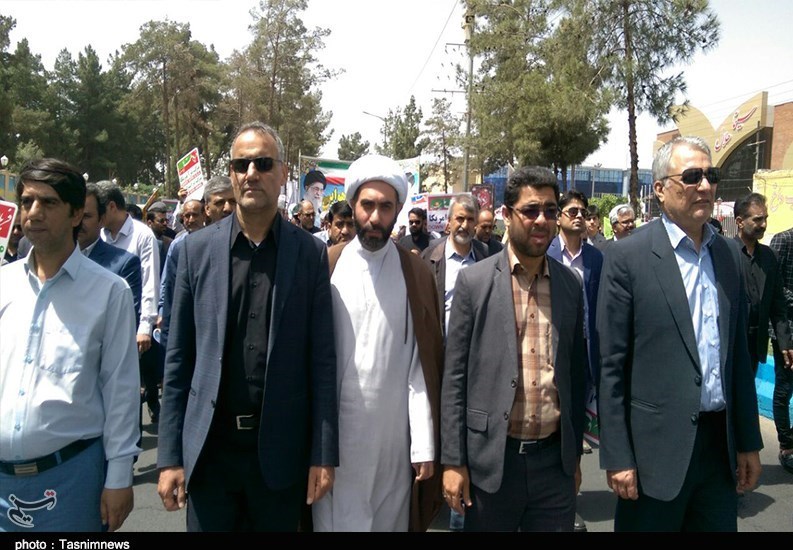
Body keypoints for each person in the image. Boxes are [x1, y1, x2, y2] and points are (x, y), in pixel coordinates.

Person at [157, 121, 338, 532]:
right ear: (232, 173)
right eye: (241, 165)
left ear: (283, 172)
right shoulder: (195, 252)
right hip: (211, 453)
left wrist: (322, 454)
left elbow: (322, 361)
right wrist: (169, 456)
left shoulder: (309, 254)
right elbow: (179, 359)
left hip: (280, 456)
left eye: (262, 163)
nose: (251, 173)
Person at [597, 136, 762, 531]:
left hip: (718, 452)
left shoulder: (728, 256)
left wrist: (748, 441)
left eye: (711, 175)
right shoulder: (628, 257)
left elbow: (737, 358)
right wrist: (617, 455)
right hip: (653, 456)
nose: (704, 186)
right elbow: (611, 366)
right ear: (659, 188)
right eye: (691, 177)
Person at [441, 166, 587, 532]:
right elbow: (455, 379)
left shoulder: (569, 285)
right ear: (507, 214)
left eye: (550, 210)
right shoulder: (474, 282)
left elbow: (576, 374)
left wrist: (573, 456)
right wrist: (454, 462)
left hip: (553, 468)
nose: (542, 220)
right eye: (531, 210)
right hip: (492, 465)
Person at [0, 158, 140, 532]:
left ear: (77, 213)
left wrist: (119, 476)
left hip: (71, 483)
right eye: (27, 201)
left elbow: (121, 390)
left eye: (48, 202)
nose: (34, 212)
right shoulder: (4, 284)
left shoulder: (109, 292)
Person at [312, 154, 444, 532]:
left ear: (398, 210)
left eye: (385, 207)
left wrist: (423, 445)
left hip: (393, 444)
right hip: (336, 443)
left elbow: (421, 366)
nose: (375, 216)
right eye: (367, 205)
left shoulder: (415, 273)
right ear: (353, 205)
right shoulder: (326, 265)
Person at [547, 189, 604, 531]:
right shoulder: (547, 253)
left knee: (577, 429)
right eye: (572, 211)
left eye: (583, 211)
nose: (579, 216)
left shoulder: (595, 258)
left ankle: (570, 504)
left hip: (586, 355)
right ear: (559, 217)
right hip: (552, 353)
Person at [731, 192, 792, 375]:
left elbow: (777, 304)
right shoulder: (724, 252)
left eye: (765, 218)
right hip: (730, 342)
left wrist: (785, 342)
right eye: (757, 219)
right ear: (740, 222)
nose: (764, 224)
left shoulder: (770, 257)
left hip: (755, 344)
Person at [422, 194, 489, 338]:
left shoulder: (486, 257)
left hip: (475, 347)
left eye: (470, 219)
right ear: (449, 221)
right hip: (439, 346)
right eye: (460, 218)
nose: (464, 225)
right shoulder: (429, 258)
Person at [79, 182, 142, 326]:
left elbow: (125, 323)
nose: (78, 222)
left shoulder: (125, 264)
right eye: (74, 215)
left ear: (101, 220)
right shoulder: (55, 260)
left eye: (86, 216)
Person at [770, 224, 793, 474]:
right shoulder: (783, 240)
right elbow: (774, 288)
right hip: (786, 330)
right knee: (784, 388)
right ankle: (786, 446)